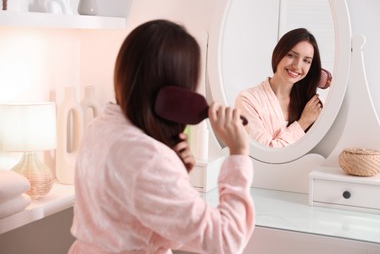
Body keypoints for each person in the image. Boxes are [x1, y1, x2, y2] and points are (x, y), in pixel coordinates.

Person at [68, 19, 254, 254]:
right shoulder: (148, 158)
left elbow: (151, 220)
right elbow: (226, 240)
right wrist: (238, 156)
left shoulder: (99, 128)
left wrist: (174, 171)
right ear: (177, 88)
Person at [235, 28, 324, 148]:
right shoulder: (247, 100)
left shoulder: (312, 105)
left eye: (306, 61)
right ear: (279, 54)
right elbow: (266, 152)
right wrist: (303, 122)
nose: (297, 66)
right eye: (291, 55)